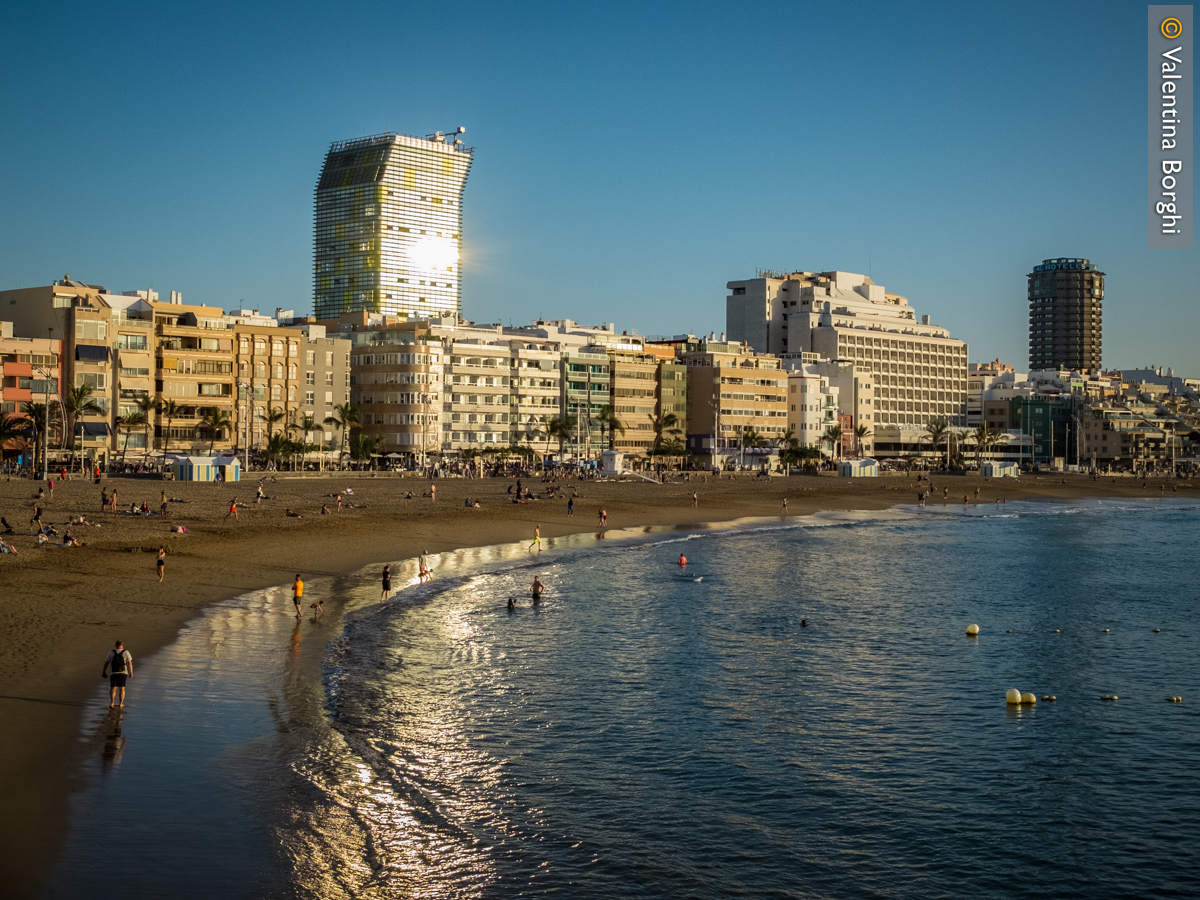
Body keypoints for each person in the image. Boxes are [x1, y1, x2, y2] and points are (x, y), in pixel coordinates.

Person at [102, 640, 133, 709]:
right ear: (122, 645)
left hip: (114, 672)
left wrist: (104, 671)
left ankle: (112, 702)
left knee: (113, 688)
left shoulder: (112, 652)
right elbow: (130, 663)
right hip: (123, 673)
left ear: (115, 645)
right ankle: (120, 704)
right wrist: (131, 672)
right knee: (122, 688)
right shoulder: (126, 652)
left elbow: (107, 662)